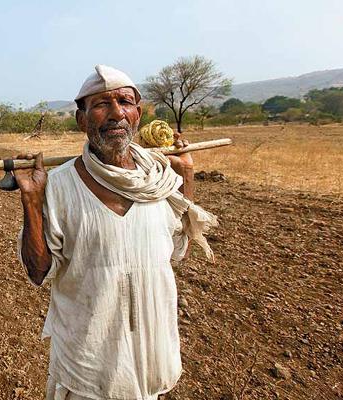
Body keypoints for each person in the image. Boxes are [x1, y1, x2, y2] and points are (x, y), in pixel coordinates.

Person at [14, 65, 218, 400]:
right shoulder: (60, 186)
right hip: (88, 365)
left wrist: (187, 174)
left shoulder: (159, 178)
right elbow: (39, 271)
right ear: (82, 120)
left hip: (149, 355)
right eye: (100, 105)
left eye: (124, 102)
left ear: (137, 114)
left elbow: (177, 250)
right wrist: (32, 200)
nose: (115, 114)